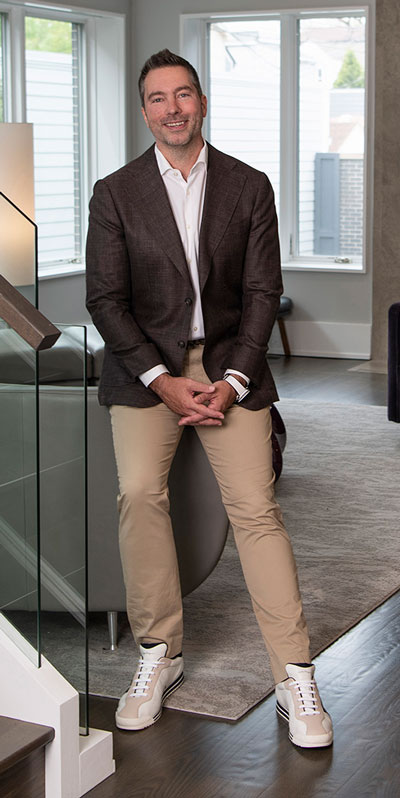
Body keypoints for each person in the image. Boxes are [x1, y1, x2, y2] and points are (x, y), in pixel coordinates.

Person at [86, 49, 333, 749]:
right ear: (144, 112)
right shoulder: (115, 193)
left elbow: (261, 293)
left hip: (229, 365)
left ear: (201, 102)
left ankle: (294, 673)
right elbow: (105, 300)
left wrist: (233, 383)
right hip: (146, 372)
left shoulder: (248, 186)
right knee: (140, 492)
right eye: (158, 98)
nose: (173, 109)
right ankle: (159, 653)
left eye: (184, 94)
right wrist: (161, 381)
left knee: (256, 507)